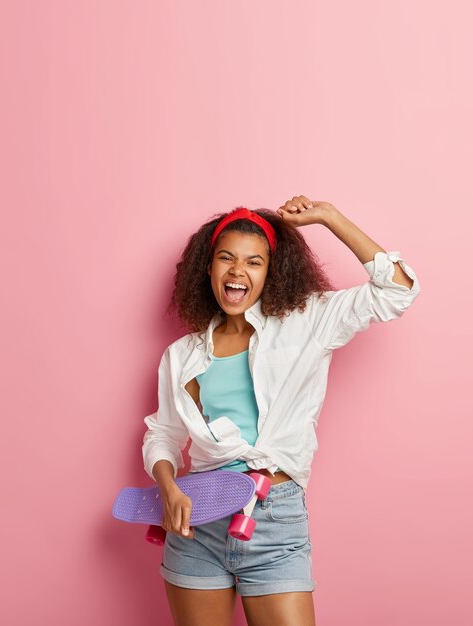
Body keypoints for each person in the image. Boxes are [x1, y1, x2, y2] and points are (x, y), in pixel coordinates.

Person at [141, 196, 421, 626]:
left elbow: (397, 291)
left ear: (271, 272)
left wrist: (329, 218)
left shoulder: (306, 324)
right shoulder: (182, 355)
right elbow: (163, 433)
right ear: (208, 268)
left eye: (254, 262)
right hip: (196, 520)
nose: (238, 271)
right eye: (226, 259)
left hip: (274, 516)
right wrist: (168, 488)